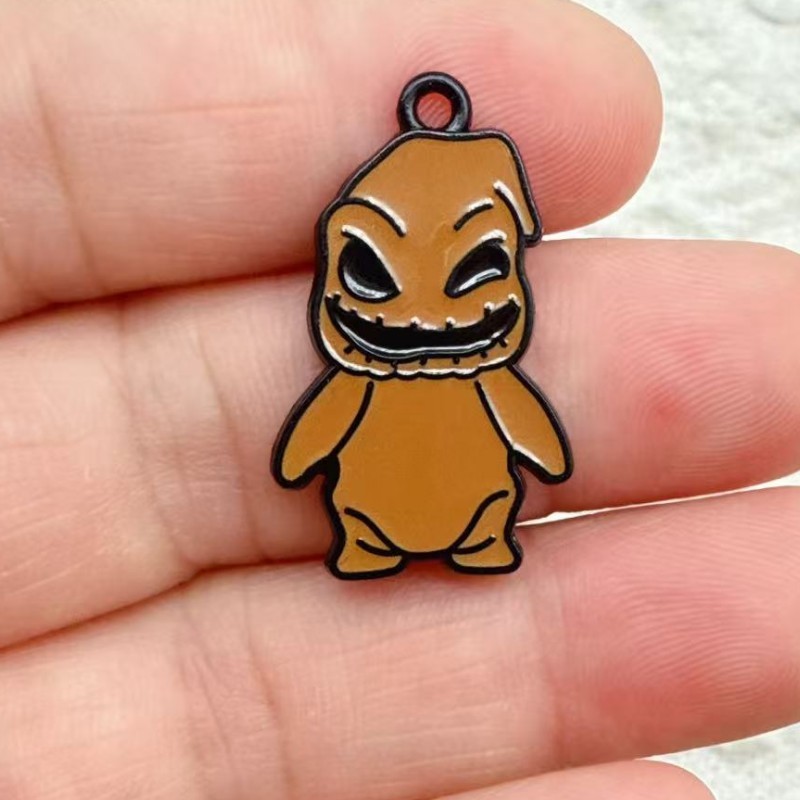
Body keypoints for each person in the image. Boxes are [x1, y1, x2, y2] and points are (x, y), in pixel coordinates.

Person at [0, 1, 798, 798]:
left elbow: (532, 432)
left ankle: (477, 537)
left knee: (485, 502)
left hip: (477, 507)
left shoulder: (483, 377)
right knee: (371, 509)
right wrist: (303, 455)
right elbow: (312, 439)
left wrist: (544, 451)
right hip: (367, 514)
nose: (421, 318)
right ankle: (371, 541)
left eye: (474, 269)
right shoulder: (361, 379)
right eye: (373, 273)